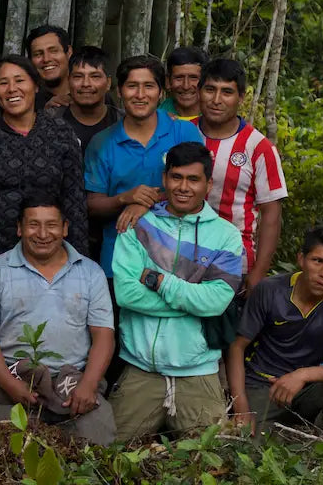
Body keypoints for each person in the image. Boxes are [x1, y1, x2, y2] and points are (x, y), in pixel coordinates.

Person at [108, 142, 245, 443]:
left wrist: (160, 282)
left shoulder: (227, 236)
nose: (183, 187)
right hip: (141, 368)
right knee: (108, 454)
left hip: (198, 371)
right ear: (165, 178)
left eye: (193, 179)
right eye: (176, 177)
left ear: (208, 184)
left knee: (218, 459)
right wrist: (194, 300)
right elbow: (126, 295)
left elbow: (217, 301)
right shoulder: (138, 225)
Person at [0, 193, 116, 445]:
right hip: (17, 384)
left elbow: (103, 334)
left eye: (51, 225)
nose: (42, 233)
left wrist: (89, 384)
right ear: (19, 228)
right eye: (33, 224)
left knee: (97, 449)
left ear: (65, 228)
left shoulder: (91, 272)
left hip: (73, 383)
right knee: (3, 452)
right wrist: (8, 383)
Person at [0, 56, 88, 288]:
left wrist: (79, 258)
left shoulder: (60, 133)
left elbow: (74, 198)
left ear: (35, 85)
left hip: (47, 255)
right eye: (3, 83)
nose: (12, 89)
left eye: (20, 80)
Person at [228, 226, 323, 439]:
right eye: (317, 261)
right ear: (301, 259)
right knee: (248, 450)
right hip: (263, 384)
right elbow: (236, 347)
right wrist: (241, 407)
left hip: (310, 389)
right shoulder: (270, 290)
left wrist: (302, 375)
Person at [84, 54, 204, 276]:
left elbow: (197, 189)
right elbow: (92, 205)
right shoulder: (102, 143)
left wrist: (147, 203)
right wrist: (125, 198)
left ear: (160, 92)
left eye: (148, 86)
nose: (140, 95)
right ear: (119, 91)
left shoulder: (183, 132)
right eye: (132, 86)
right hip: (120, 263)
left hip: (179, 261)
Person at [194, 58, 287, 293]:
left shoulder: (258, 147)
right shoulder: (181, 133)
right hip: (180, 256)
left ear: (241, 97)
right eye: (210, 90)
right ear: (199, 92)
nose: (216, 100)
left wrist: (259, 272)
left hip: (235, 263)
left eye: (227, 92)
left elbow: (271, 214)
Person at [45, 46, 123, 262]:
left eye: (95, 77)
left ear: (108, 82)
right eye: (78, 77)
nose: (86, 84)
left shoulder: (123, 123)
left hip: (115, 229)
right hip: (60, 230)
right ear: (68, 81)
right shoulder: (50, 121)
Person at [24, 25, 73, 110]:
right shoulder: (26, 104)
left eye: (53, 51)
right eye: (38, 54)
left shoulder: (91, 93)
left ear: (69, 52)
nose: (46, 59)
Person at [162, 47, 209, 121]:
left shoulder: (218, 118)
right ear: (168, 81)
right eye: (179, 78)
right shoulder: (156, 119)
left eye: (193, 77)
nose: (186, 86)